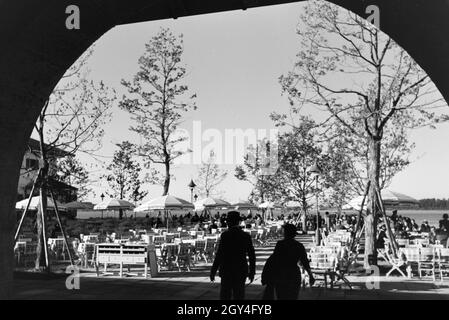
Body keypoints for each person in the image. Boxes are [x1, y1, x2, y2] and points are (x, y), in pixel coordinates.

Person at [261, 224, 315, 300]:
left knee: (281, 296)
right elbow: (305, 262)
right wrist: (310, 275)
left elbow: (274, 259)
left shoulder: (280, 244)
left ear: (285, 233)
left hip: (281, 274)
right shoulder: (299, 245)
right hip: (294, 274)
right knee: (293, 296)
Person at [210, 211, 256, 300]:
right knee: (239, 295)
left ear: (229, 222)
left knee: (225, 295)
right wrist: (252, 271)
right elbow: (251, 255)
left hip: (227, 269)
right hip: (240, 269)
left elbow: (219, 254)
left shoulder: (225, 235)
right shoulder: (245, 236)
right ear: (238, 222)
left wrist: (213, 270)